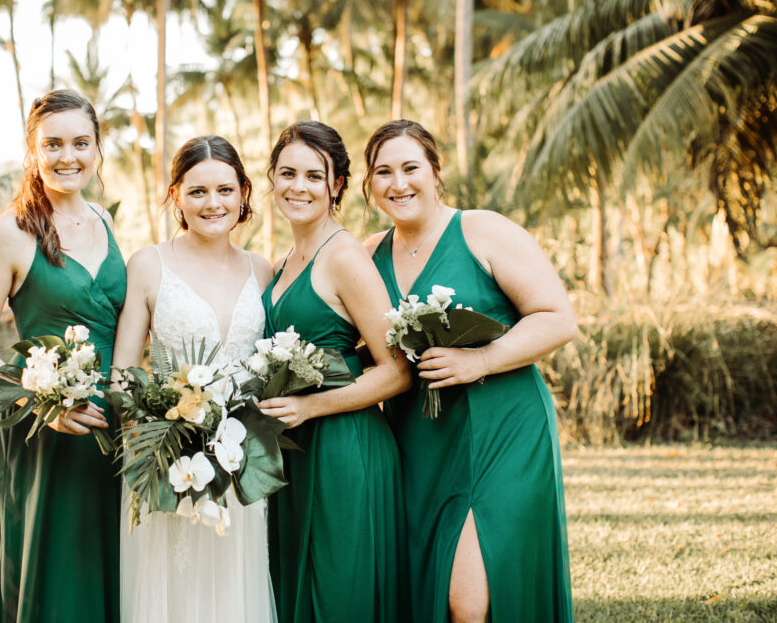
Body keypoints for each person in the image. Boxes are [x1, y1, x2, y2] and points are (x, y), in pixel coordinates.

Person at [363, 119, 576, 622]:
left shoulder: (482, 230)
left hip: (500, 429)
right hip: (418, 438)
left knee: (470, 599)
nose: (399, 183)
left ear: (436, 172)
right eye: (383, 172)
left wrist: (477, 359)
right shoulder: (368, 254)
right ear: (369, 186)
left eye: (411, 167)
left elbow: (557, 318)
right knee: (431, 587)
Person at [0, 89, 123, 623]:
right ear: (32, 149)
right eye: (52, 144)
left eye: (80, 143)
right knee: (44, 577)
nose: (67, 156)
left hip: (108, 425)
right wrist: (42, 404)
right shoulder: (11, 231)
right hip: (43, 430)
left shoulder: (105, 220)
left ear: (98, 148)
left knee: (101, 569)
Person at [112, 135, 276, 622]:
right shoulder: (149, 264)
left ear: (244, 193)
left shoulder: (262, 270)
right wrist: (159, 434)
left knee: (232, 592)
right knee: (173, 592)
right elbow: (123, 373)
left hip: (241, 461)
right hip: (167, 459)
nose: (213, 203)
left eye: (225, 190)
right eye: (198, 191)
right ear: (175, 196)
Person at [258, 121, 411, 623]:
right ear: (272, 180)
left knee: (339, 592)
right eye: (287, 174)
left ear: (336, 184)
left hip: (345, 447)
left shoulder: (344, 256)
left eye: (312, 176)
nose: (298, 187)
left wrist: (311, 405)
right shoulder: (283, 262)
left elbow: (397, 371)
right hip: (294, 451)